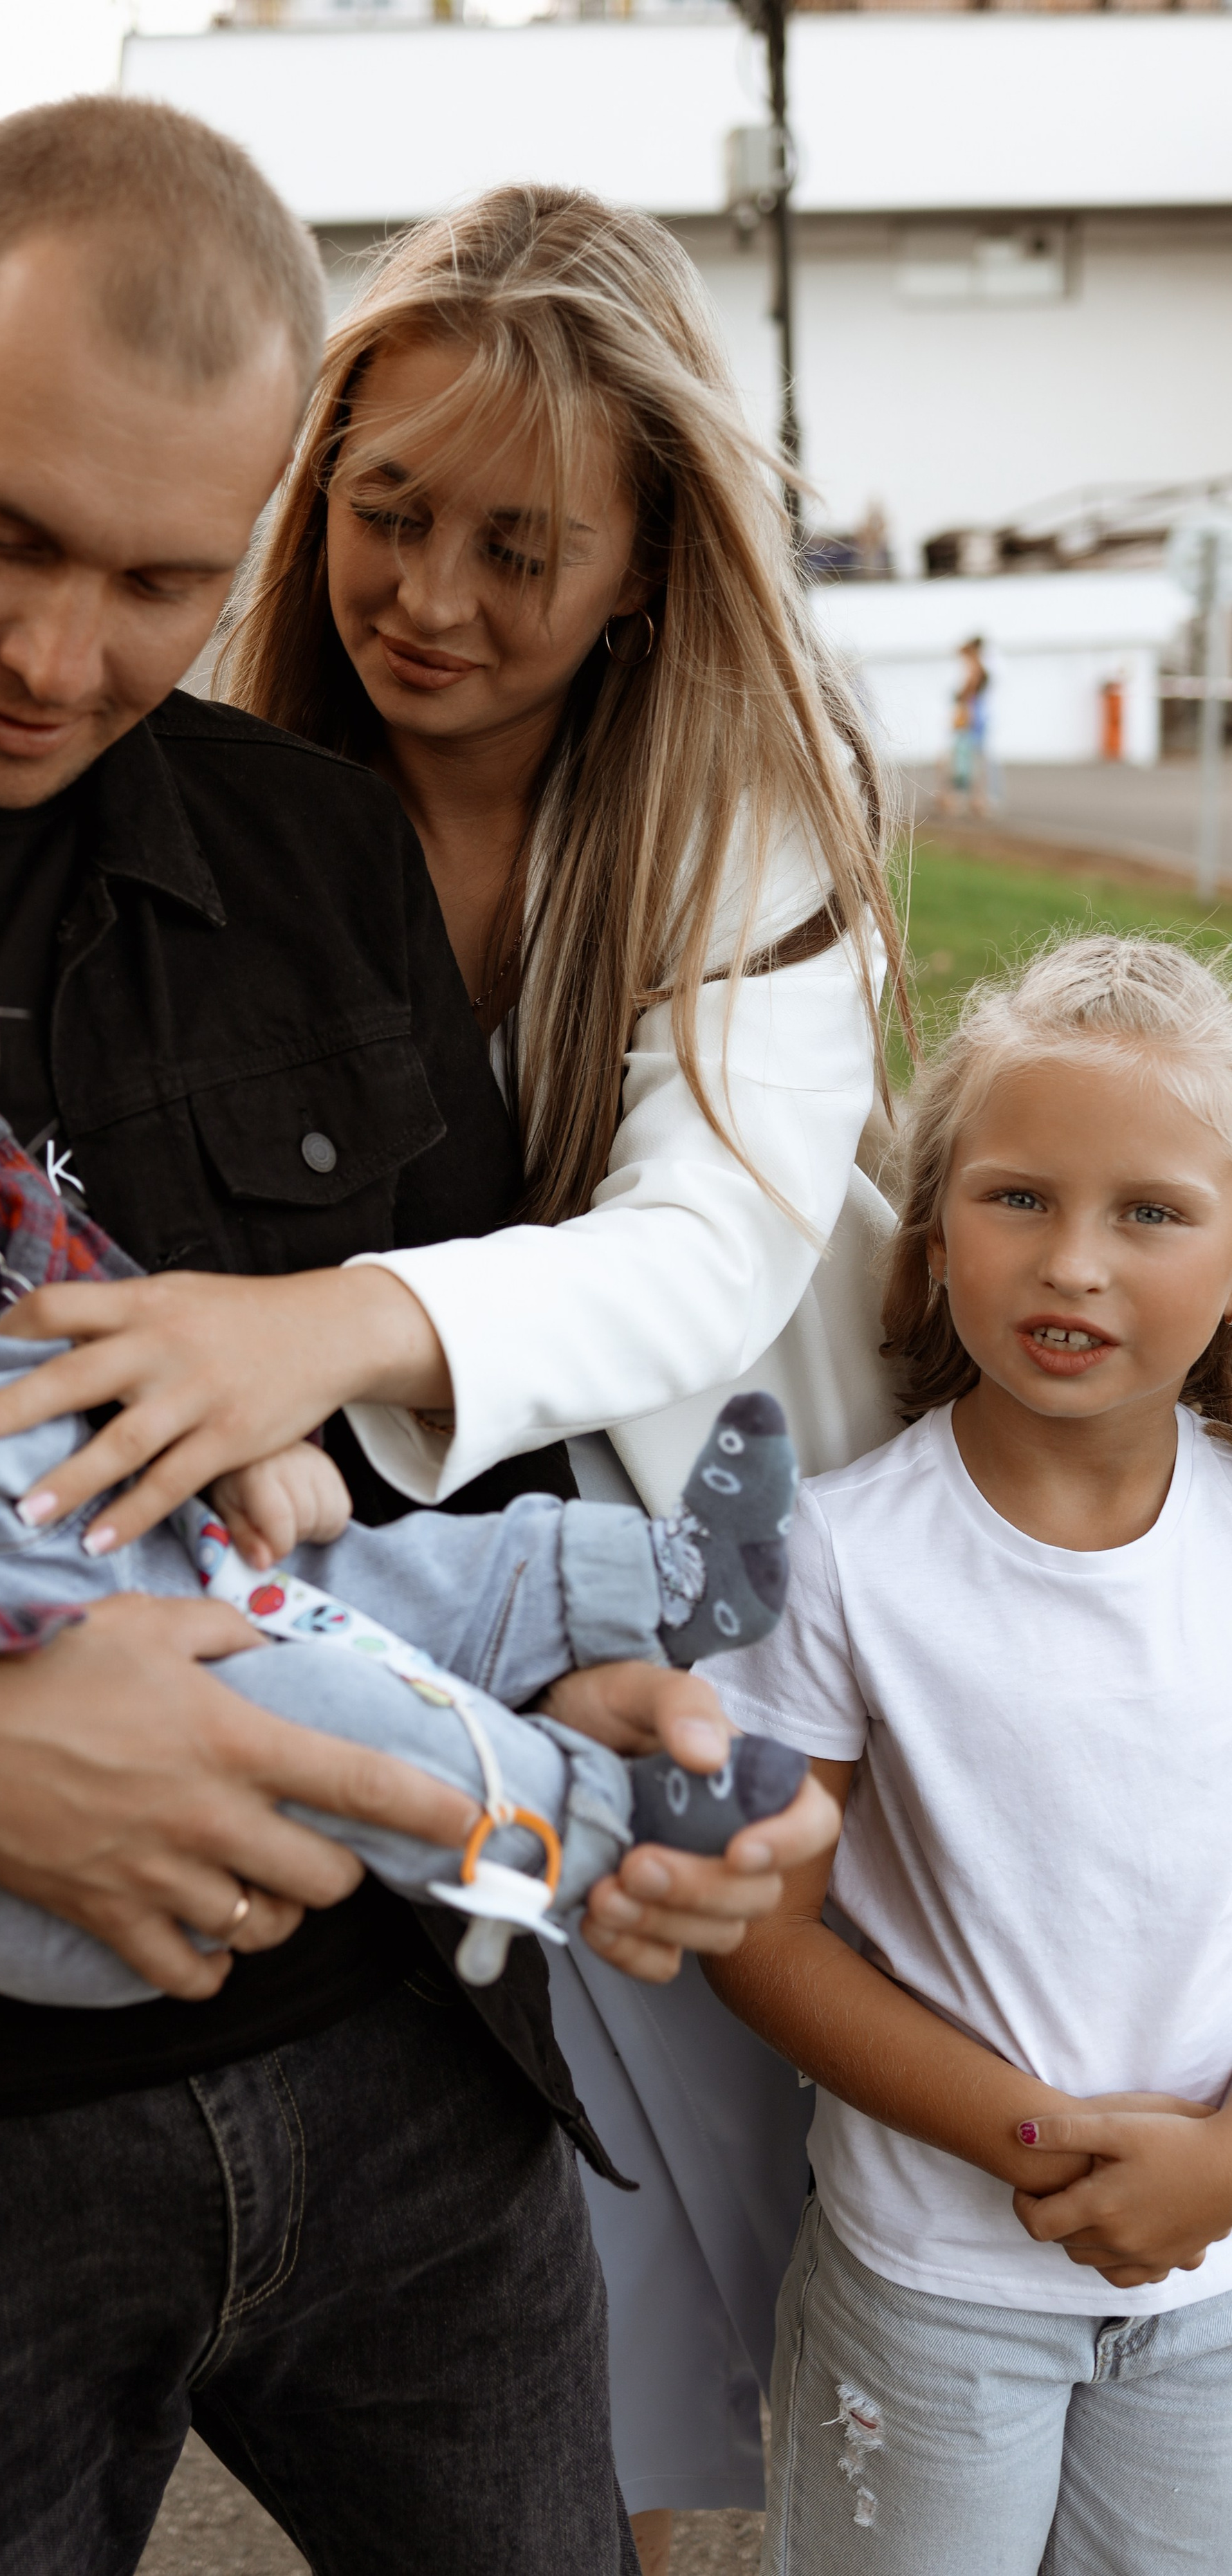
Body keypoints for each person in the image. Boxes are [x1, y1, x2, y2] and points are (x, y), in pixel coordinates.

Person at [0, 107, 832, 2573]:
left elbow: (441, 1435)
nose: (57, 654)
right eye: (1, 526)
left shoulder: (313, 845)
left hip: (412, 2092)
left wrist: (590, 1695)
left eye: (163, 578)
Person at [0, 185, 903, 2562]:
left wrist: (323, 1327)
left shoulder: (746, 807)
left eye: (521, 547)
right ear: (313, 479)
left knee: (788, 2188)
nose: (434, 600)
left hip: (737, 1552)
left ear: (651, 561)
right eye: (384, 514)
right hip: (408, 1592)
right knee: (545, 2193)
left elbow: (702, 1251)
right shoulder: (228, 785)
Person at [0, 836, 810, 2006]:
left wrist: (237, 1435)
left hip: (154, 1557)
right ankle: (593, 1829)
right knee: (332, 1708)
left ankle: (656, 1578)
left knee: (385, 1574)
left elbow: (127, 1319)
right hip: (40, 1773)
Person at [708, 935, 1232, 2571]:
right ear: (930, 1236)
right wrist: (1030, 2142)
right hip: (930, 2296)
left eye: (1148, 1212)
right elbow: (757, 1928)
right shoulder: (839, 1557)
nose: (1072, 1261)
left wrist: (1215, 2174)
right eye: (1017, 1199)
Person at [937, 634, 992, 821]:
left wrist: (960, 713)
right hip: (973, 718)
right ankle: (975, 801)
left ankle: (967, 801)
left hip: (969, 719)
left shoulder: (974, 670)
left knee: (963, 760)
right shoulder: (978, 669)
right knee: (973, 759)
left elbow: (964, 696)